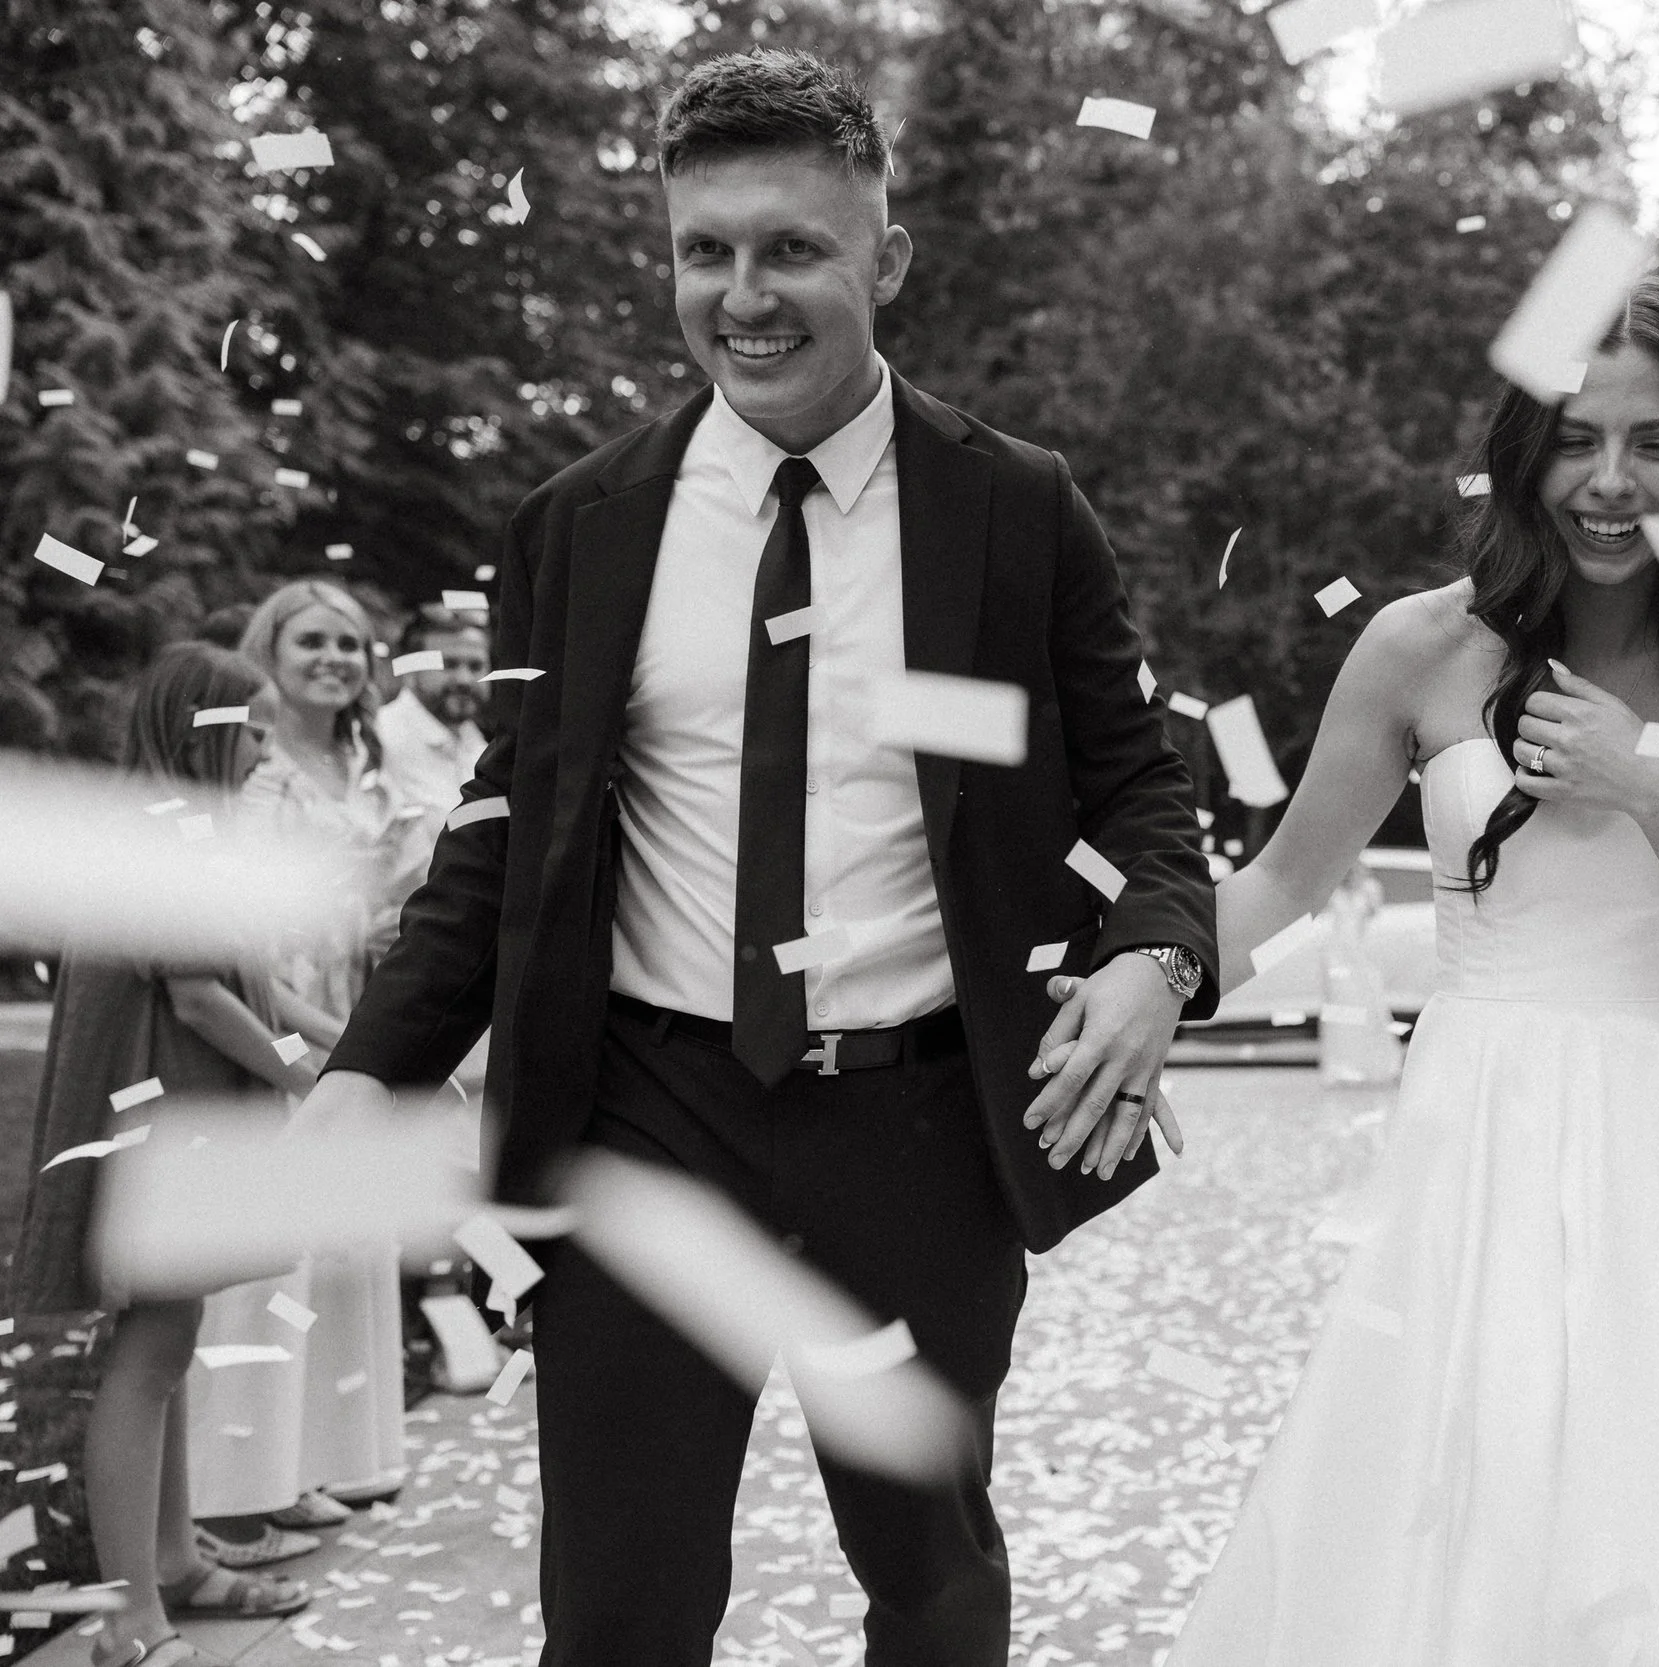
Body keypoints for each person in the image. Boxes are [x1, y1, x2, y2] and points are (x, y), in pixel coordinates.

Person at [285, 49, 1217, 1667]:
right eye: (704, 251)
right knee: (620, 1607)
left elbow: (1140, 787)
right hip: (645, 1121)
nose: (744, 294)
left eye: (792, 248)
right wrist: (376, 1064)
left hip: (918, 1120)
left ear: (886, 260)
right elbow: (507, 824)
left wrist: (1154, 951)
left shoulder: (1014, 514)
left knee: (930, 1579)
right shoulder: (581, 525)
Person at [1110, 276, 1659, 1665]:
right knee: (1482, 1474)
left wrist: (1652, 784)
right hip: (1486, 1130)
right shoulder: (1422, 642)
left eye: (1654, 443)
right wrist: (1148, 975)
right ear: (1524, 450)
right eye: (1579, 439)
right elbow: (1285, 877)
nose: (1611, 480)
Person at [10, 643, 322, 1666]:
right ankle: (127, 1615)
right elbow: (199, 995)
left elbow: (255, 981)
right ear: (208, 729)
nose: (267, 747)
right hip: (152, 1126)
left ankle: (175, 1563)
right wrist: (308, 1080)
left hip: (169, 1116)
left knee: (167, 1342)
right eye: (255, 725)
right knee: (145, 1357)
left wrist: (357, 1044)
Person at [185, 581, 418, 1558]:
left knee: (334, 1243)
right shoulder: (255, 764)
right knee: (263, 1252)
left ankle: (300, 1464)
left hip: (355, 988)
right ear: (269, 649)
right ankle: (228, 1490)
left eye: (353, 644)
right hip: (277, 1004)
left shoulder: (367, 758)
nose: (335, 657)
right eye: (314, 639)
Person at [372, 602, 490, 846]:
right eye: (448, 664)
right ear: (410, 668)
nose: (464, 679)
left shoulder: (479, 744)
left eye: (475, 666)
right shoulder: (379, 736)